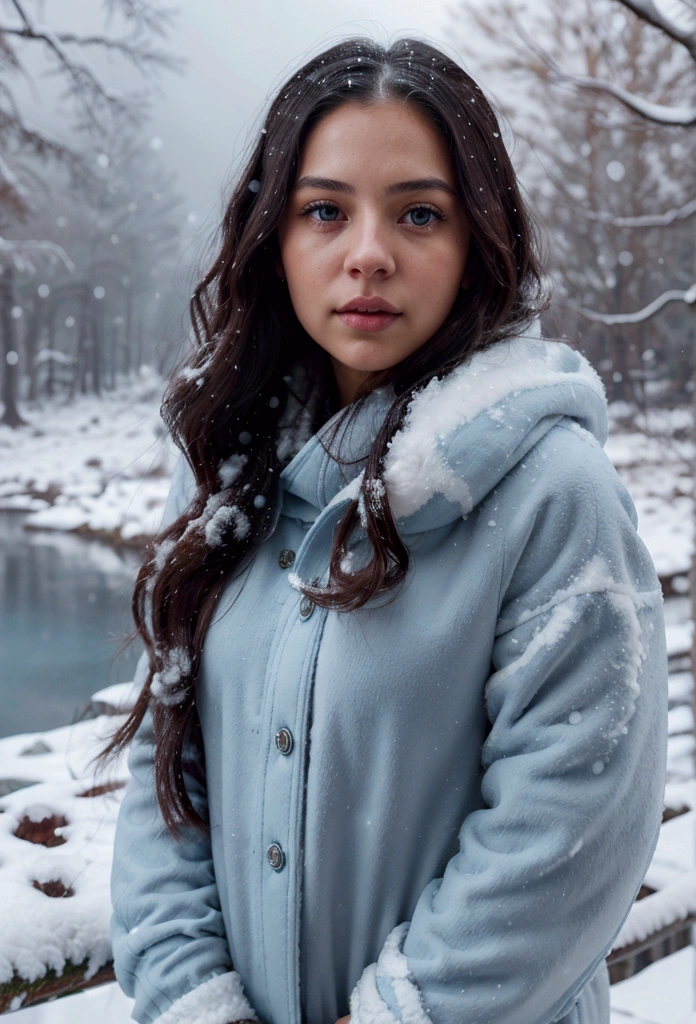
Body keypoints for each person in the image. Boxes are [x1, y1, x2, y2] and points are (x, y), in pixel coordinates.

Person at [105, 36, 668, 1024]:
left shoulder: (550, 492)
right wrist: (195, 997)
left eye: (418, 212)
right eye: (325, 209)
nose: (368, 251)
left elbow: (568, 827)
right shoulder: (225, 470)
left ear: (476, 238)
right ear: (273, 238)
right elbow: (169, 776)